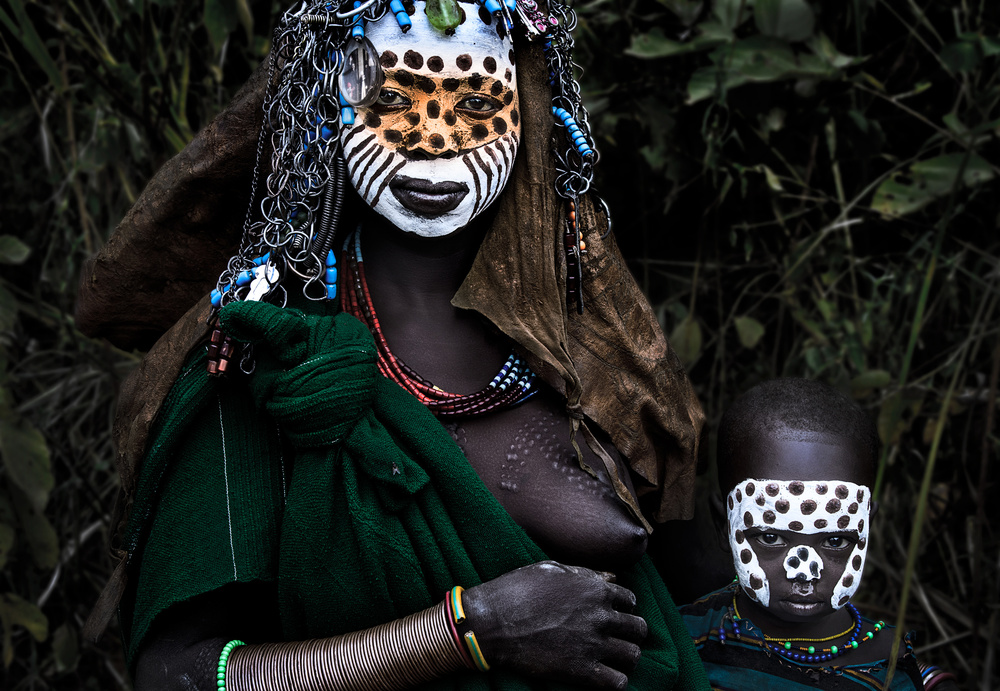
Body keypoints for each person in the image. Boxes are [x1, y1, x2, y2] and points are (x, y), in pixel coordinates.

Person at [76, 1, 711, 689]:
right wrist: (467, 631)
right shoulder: (279, 361)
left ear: (529, 110)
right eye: (390, 100)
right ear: (326, 108)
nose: (433, 138)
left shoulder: (592, 339)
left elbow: (714, 596)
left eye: (476, 103)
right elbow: (178, 675)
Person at [679, 379, 958, 690]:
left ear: (867, 527)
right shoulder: (680, 641)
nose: (805, 572)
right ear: (724, 525)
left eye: (835, 541)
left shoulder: (895, 670)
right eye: (771, 538)